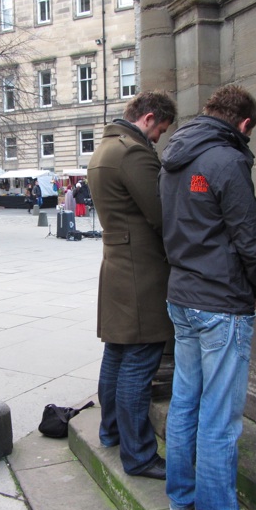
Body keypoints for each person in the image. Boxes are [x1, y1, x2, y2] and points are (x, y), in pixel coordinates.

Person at [159, 85, 256, 510]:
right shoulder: (226, 159)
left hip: (183, 296)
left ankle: (181, 495)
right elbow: (251, 236)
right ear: (243, 124)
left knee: (187, 400)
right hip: (219, 301)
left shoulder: (175, 156)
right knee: (219, 416)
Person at [86, 91, 177, 480]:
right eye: (160, 130)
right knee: (139, 362)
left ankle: (110, 432)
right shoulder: (133, 152)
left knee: (119, 355)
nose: (158, 138)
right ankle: (139, 456)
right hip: (142, 270)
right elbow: (161, 212)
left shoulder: (105, 148)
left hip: (118, 265)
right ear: (149, 118)